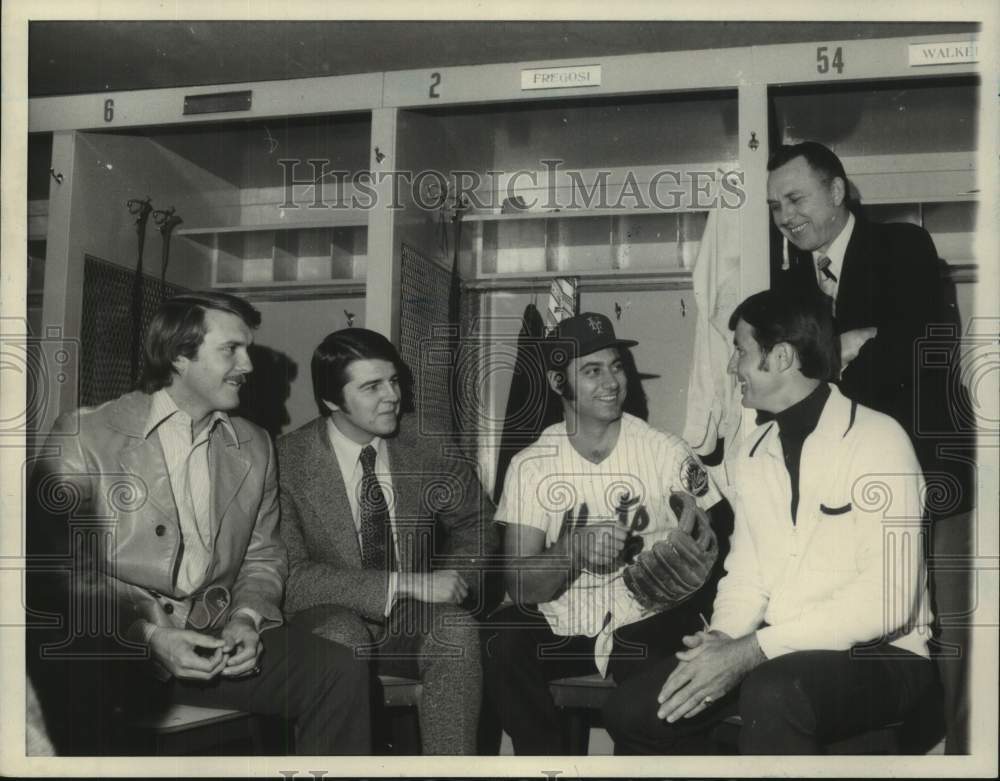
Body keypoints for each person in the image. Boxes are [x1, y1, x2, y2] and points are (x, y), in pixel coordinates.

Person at [26, 291, 370, 755]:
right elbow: (55, 568)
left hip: (212, 639)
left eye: (247, 349)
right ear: (178, 355)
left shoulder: (255, 444)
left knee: (338, 670)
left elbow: (263, 555)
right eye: (231, 349)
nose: (248, 366)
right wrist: (149, 637)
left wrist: (247, 620)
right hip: (113, 644)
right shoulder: (83, 435)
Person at [603, 288, 937, 754]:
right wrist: (721, 639)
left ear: (780, 357)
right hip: (783, 650)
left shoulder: (878, 440)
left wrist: (749, 651)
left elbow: (888, 602)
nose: (731, 367)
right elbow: (747, 574)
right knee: (636, 710)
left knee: (774, 692)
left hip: (885, 656)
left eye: (740, 350)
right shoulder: (752, 453)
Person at [767, 141, 975, 753]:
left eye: (796, 199)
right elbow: (791, 383)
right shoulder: (789, 281)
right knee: (869, 624)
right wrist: (849, 345)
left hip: (932, 471)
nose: (786, 216)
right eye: (777, 206)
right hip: (848, 485)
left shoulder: (901, 246)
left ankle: (963, 759)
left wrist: (831, 359)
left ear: (837, 191)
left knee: (952, 631)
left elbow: (921, 345)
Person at [483, 312, 727, 755]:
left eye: (616, 366)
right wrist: (571, 552)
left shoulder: (664, 451)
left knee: (649, 692)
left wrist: (698, 568)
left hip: (649, 613)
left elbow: (721, 537)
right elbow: (519, 583)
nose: (611, 381)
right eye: (592, 371)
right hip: (567, 618)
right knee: (502, 637)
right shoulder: (532, 465)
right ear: (559, 384)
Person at [277, 328, 499, 755]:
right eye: (371, 386)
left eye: (394, 381)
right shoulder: (287, 460)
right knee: (343, 635)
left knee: (454, 630)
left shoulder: (424, 441)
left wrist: (455, 577)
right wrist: (406, 584)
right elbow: (292, 577)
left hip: (407, 624)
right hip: (325, 622)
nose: (392, 396)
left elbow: (478, 522)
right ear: (331, 401)